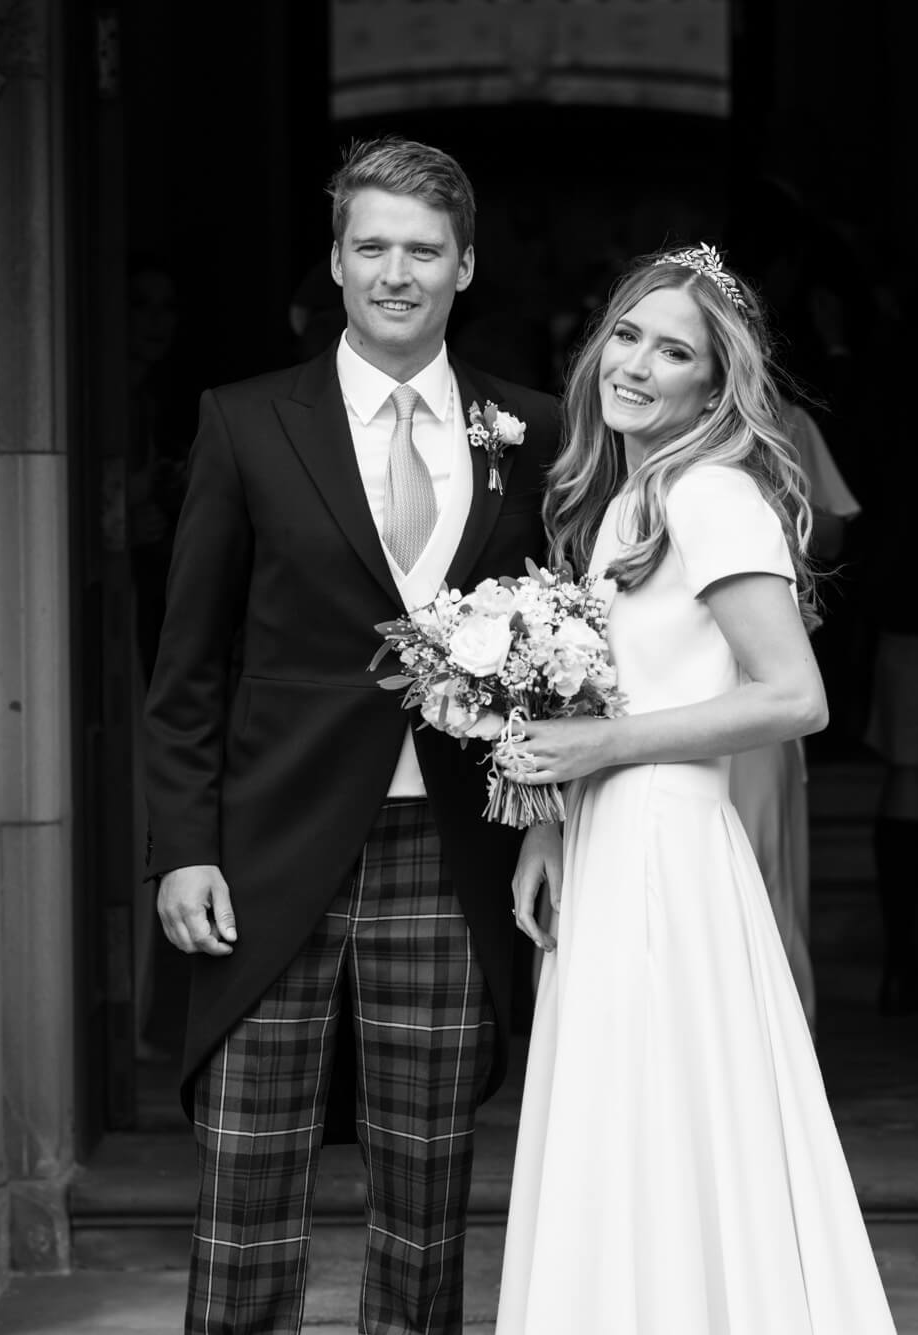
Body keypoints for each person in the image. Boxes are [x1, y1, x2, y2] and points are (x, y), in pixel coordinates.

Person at [141, 137, 561, 1335]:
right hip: (268, 850)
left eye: (422, 250)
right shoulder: (244, 423)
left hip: (452, 848)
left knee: (425, 1194)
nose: (394, 273)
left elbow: (562, 652)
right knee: (247, 1175)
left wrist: (543, 823)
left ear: (463, 266)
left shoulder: (530, 431)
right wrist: (183, 847)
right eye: (370, 246)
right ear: (334, 262)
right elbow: (188, 666)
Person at [496, 246, 897, 1333]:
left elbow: (795, 697)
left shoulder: (710, 493)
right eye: (626, 335)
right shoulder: (628, 497)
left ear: (715, 386)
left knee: (661, 1122)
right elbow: (616, 689)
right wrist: (547, 826)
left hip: (665, 851)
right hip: (608, 839)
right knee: (622, 1128)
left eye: (673, 352)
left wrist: (602, 746)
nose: (636, 364)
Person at [729, 401, 859, 1030]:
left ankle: (772, 1045)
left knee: (759, 885)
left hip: (751, 702)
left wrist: (773, 518)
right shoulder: (609, 443)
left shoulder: (787, 422)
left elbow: (832, 531)